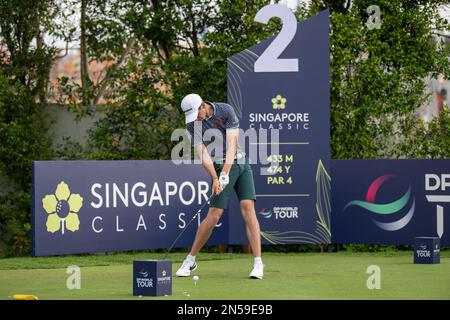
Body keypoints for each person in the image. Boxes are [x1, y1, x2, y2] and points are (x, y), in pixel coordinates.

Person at [175, 93, 264, 279]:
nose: (196, 118)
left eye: (196, 113)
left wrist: (225, 173)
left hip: (241, 163)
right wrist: (216, 177)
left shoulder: (225, 110)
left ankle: (258, 263)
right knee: (214, 215)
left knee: (248, 209)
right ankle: (190, 260)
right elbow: (203, 154)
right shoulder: (193, 125)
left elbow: (232, 146)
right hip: (218, 165)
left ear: (202, 106)